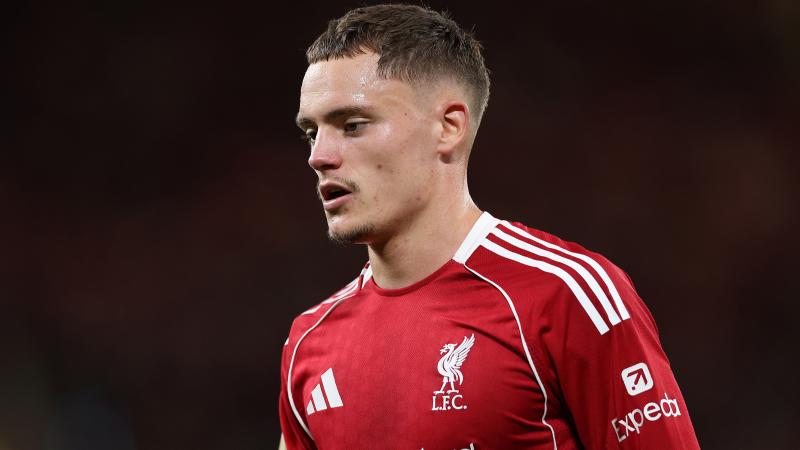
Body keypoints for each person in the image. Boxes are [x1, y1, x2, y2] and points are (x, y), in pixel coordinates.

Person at [279, 4, 700, 449]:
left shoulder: (566, 295)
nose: (318, 156)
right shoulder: (308, 343)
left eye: (352, 125)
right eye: (311, 133)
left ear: (448, 127)